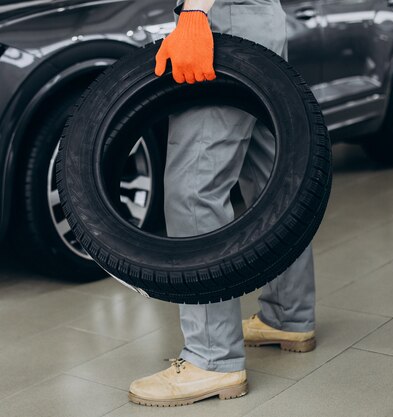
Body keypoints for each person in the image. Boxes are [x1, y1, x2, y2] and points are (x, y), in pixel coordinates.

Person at [128, 0, 316, 407]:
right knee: (271, 180)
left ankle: (212, 357)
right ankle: (287, 315)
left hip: (222, 20)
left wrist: (194, 13)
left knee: (193, 189)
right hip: (259, 17)